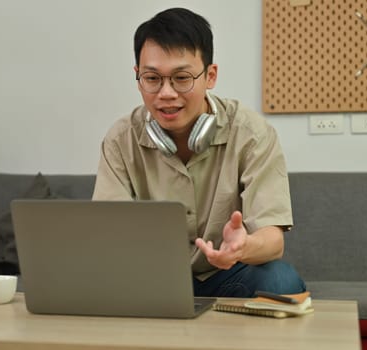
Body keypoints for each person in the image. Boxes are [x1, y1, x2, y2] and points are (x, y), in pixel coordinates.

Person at [93, 7, 306, 297]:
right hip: (153, 279)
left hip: (227, 274)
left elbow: (273, 241)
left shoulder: (252, 133)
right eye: (152, 78)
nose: (166, 93)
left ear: (210, 76)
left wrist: (242, 247)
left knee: (280, 282)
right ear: (138, 76)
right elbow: (107, 235)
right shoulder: (121, 139)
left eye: (182, 78)